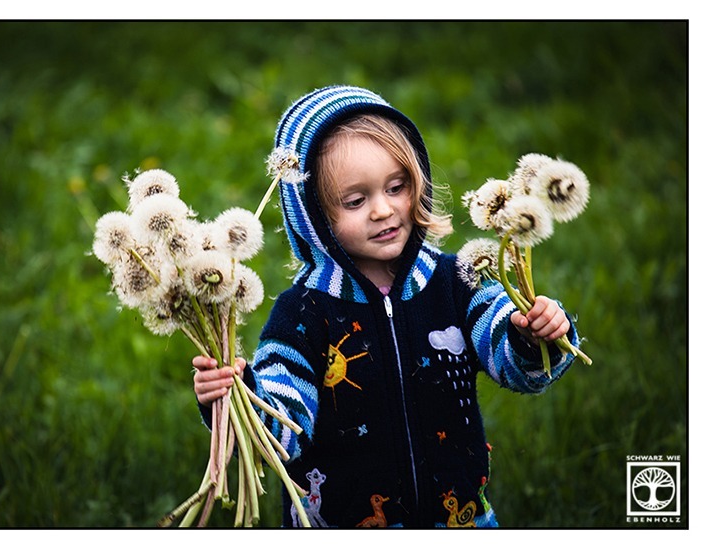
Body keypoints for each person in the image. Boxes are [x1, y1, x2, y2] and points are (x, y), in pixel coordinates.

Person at [192, 85, 579, 528]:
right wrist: (238, 397)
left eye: (396, 187)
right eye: (356, 201)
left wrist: (533, 335)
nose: (383, 210)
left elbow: (514, 362)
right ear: (312, 213)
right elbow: (283, 431)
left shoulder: (455, 281)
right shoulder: (304, 312)